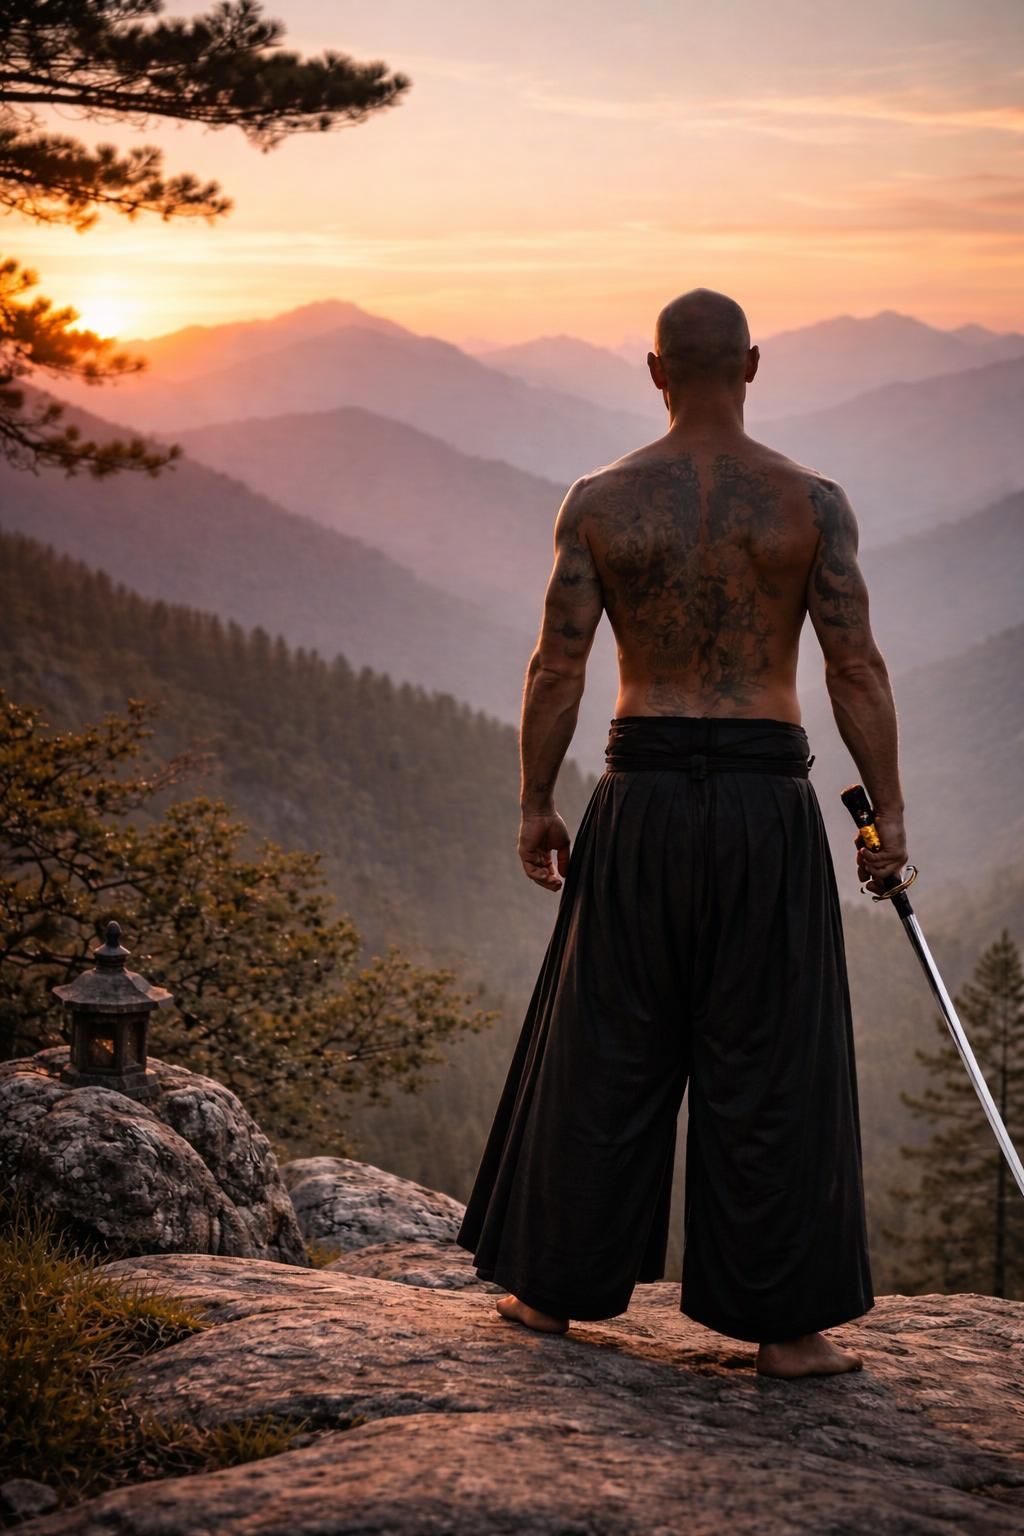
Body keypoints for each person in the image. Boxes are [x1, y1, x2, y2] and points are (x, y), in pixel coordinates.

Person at [455, 288, 908, 1380]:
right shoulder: (813, 503)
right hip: (765, 799)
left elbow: (556, 662)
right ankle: (787, 1333)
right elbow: (853, 665)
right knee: (772, 1053)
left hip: (641, 791)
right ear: (751, 363)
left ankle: (549, 1295)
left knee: (608, 1044)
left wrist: (533, 803)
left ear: (654, 372)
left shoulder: (600, 502)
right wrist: (887, 813)